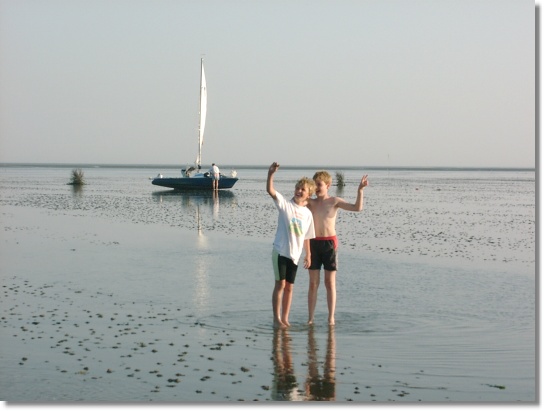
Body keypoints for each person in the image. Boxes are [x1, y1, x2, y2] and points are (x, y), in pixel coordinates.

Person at [306, 171, 368, 325]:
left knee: (329, 282)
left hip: (329, 244)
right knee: (313, 283)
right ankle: (311, 318)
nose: (317, 188)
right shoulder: (310, 202)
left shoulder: (334, 201)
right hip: (313, 243)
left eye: (319, 185)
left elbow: (357, 208)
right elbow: (293, 204)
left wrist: (360, 190)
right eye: (314, 185)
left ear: (327, 185)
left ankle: (331, 317)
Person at [267, 162, 316, 328]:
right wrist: (271, 174)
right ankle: (276, 319)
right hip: (280, 251)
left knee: (289, 287)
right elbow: (271, 191)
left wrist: (308, 255)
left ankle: (285, 318)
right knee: (280, 284)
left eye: (303, 189)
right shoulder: (285, 205)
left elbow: (307, 236)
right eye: (297, 187)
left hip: (295, 256)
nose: (299, 191)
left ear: (308, 194)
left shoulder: (308, 214)